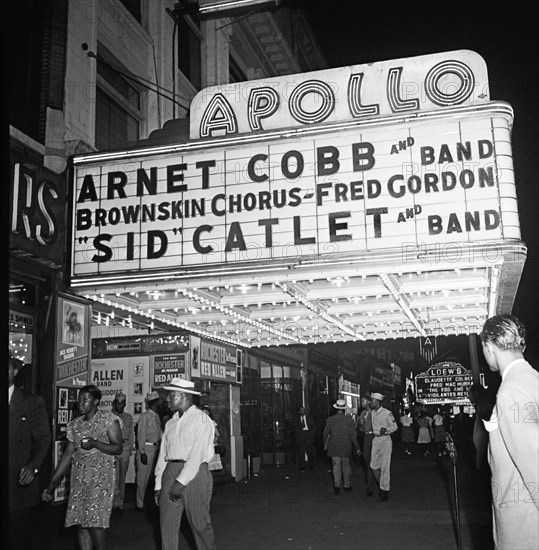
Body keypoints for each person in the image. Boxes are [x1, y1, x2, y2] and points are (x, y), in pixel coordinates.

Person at [479, 314, 539, 550]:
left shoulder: (511, 390)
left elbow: (533, 462)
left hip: (524, 523)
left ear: (489, 346)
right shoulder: (532, 379)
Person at [42, 385, 123, 550]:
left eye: (86, 400)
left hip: (101, 478)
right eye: (80, 399)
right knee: (81, 523)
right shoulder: (75, 425)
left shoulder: (108, 420)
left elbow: (118, 448)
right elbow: (66, 456)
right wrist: (51, 485)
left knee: (95, 522)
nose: (81, 403)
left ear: (96, 401)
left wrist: (95, 443)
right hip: (79, 478)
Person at [154, 378, 216, 550]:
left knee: (200, 525)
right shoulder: (170, 423)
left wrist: (181, 482)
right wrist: (159, 484)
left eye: (171, 395)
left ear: (183, 396)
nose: (167, 399)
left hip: (196, 473)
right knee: (167, 526)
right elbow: (162, 456)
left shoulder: (202, 420)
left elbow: (196, 456)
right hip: (170, 471)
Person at [9, 355, 52, 550]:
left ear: (15, 370)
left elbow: (43, 440)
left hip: (18, 489)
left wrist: (33, 466)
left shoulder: (31, 402)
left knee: (18, 540)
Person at [323, 398, 361, 495]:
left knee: (336, 467)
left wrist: (325, 446)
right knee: (346, 467)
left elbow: (325, 434)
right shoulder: (349, 420)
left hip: (334, 447)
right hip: (346, 446)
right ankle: (346, 486)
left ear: (336, 408)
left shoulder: (330, 420)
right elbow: (353, 435)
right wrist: (357, 448)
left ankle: (337, 486)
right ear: (344, 409)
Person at [136, 391, 163, 511]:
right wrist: (142, 452)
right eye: (157, 403)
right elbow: (141, 435)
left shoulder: (156, 416)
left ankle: (150, 502)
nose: (159, 405)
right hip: (146, 449)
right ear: (152, 404)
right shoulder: (144, 417)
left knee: (154, 477)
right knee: (142, 479)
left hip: (156, 449)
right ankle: (140, 504)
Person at [370, 392, 397, 502]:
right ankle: (383, 483)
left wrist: (386, 430)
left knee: (385, 467)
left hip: (385, 440)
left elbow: (395, 427)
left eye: (372, 401)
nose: (371, 402)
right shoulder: (373, 413)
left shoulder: (387, 413)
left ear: (377, 402)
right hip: (376, 440)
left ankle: (384, 491)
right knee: (373, 466)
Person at [111, 392, 134, 513]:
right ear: (115, 403)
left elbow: (131, 435)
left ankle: (119, 504)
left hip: (124, 449)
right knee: (112, 477)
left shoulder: (129, 417)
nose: (120, 405)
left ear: (125, 404)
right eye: (118, 402)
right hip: (113, 448)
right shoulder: (110, 416)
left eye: (122, 403)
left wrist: (129, 448)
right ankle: (112, 503)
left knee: (122, 478)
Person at [357, 394, 377, 495]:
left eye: (363, 401)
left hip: (374, 437)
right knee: (367, 461)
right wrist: (360, 423)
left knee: (373, 462)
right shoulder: (362, 413)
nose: (361, 403)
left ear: (369, 402)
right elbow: (360, 428)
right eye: (361, 401)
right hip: (366, 437)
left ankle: (370, 487)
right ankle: (372, 481)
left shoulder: (375, 412)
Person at [294, 405, 316, 471]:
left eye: (303, 410)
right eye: (301, 410)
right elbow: (296, 430)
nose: (302, 411)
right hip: (301, 437)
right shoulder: (297, 419)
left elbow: (314, 427)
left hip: (308, 436)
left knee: (310, 452)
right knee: (301, 453)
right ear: (299, 411)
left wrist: (309, 433)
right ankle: (302, 466)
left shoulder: (309, 418)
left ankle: (311, 465)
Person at [202, 405, 223, 473]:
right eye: (203, 412)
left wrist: (213, 442)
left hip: (209, 445)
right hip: (201, 445)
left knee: (210, 466)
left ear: (209, 413)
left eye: (206, 412)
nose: (204, 414)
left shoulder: (211, 422)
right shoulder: (199, 422)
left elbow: (217, 435)